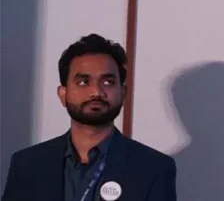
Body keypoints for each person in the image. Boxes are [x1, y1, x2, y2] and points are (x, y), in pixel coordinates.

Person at [2, 34, 177, 201]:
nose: (96, 92)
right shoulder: (27, 165)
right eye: (83, 82)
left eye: (108, 82)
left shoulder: (153, 168)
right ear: (63, 94)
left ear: (123, 93)